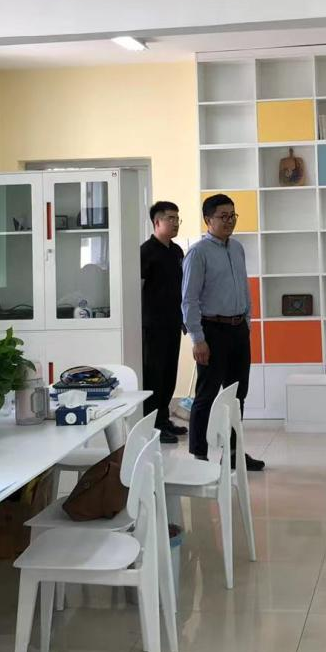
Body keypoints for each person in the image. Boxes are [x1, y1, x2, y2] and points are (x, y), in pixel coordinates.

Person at [181, 193, 264, 470]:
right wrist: (198, 339)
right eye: (223, 216)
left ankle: (233, 454)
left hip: (238, 330)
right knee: (206, 395)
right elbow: (189, 300)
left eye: (232, 216)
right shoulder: (198, 253)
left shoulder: (237, 248)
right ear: (208, 220)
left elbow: (244, 288)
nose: (229, 221)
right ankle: (199, 456)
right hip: (212, 331)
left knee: (237, 395)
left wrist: (247, 322)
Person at [141, 200, 187, 444]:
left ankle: (164, 419)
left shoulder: (177, 251)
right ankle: (153, 426)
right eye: (171, 218)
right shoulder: (145, 252)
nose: (175, 223)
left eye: (177, 219)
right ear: (157, 222)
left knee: (170, 374)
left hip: (173, 322)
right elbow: (137, 289)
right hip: (152, 325)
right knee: (154, 376)